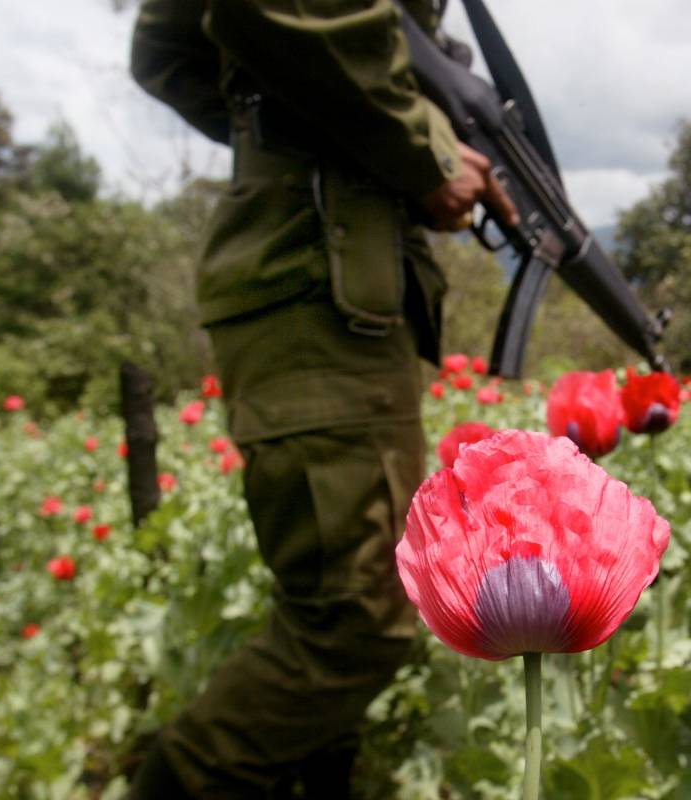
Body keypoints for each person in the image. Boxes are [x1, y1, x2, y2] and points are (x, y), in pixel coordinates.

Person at [128, 1, 517, 796]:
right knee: (353, 624)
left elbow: (167, 47)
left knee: (333, 607)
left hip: (333, 286)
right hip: (321, 288)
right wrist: (412, 145)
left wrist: (320, 119)